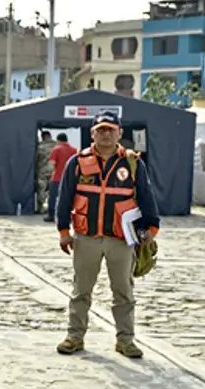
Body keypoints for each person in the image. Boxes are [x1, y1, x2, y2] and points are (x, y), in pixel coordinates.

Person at [55, 111, 159, 359]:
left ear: (120, 133)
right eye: (100, 129)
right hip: (86, 238)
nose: (106, 134)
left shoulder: (133, 163)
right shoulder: (77, 162)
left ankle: (125, 340)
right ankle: (75, 336)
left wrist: (152, 228)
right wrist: (63, 232)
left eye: (111, 129)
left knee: (123, 292)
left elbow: (146, 197)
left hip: (121, 240)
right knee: (81, 290)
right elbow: (64, 199)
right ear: (92, 133)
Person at [45, 132, 77, 222]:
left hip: (57, 178)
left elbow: (52, 163)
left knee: (53, 197)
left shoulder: (57, 149)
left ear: (58, 140)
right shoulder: (74, 150)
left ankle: (51, 216)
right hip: (70, 179)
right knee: (69, 198)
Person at [36, 130, 56, 214]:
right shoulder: (56, 145)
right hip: (54, 171)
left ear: (43, 137)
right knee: (53, 190)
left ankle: (41, 208)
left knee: (41, 190)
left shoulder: (39, 147)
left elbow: (35, 159)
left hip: (42, 171)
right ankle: (52, 208)